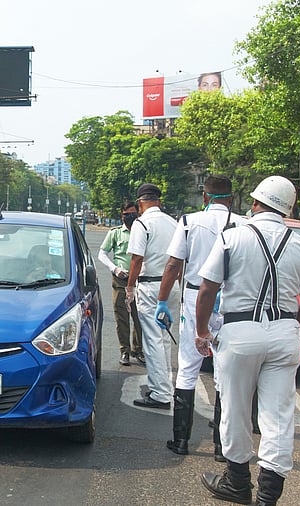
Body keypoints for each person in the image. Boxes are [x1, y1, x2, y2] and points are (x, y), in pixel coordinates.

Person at [194, 176, 300, 505]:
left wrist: (201, 331)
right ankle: (268, 497)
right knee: (278, 416)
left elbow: (208, 289)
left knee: (235, 410)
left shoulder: (233, 237)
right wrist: (293, 329)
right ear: (288, 209)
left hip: (240, 333)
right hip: (284, 333)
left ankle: (237, 483)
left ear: (255, 203)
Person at [155, 175, 247, 458]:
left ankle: (181, 441)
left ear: (205, 197)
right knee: (224, 373)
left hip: (196, 297)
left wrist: (162, 301)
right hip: (230, 300)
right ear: (231, 199)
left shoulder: (189, 222)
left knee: (188, 367)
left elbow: (173, 265)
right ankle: (221, 446)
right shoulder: (244, 225)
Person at [126, 183, 178, 409]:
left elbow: (137, 259)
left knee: (152, 340)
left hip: (150, 286)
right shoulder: (173, 223)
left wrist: (129, 287)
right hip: (171, 285)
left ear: (140, 203)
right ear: (159, 201)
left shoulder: (142, 223)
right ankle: (165, 386)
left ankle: (160, 393)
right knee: (165, 338)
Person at [98, 201, 144, 366]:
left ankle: (138, 350)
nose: (129, 217)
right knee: (122, 318)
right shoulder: (116, 233)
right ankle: (125, 351)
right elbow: (102, 254)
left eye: (132, 214)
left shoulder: (143, 231)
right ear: (121, 215)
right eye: (126, 214)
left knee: (140, 318)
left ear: (138, 213)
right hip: (120, 280)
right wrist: (114, 268)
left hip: (140, 280)